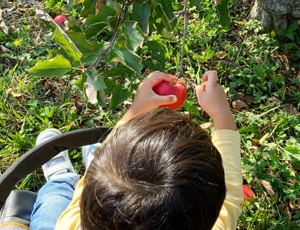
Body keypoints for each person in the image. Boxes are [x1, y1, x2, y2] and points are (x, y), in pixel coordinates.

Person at [30, 70, 243, 230]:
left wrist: (135, 111)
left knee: (57, 195)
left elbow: (84, 190)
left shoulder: (72, 225)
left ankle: (61, 177)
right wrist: (222, 115)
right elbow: (232, 196)